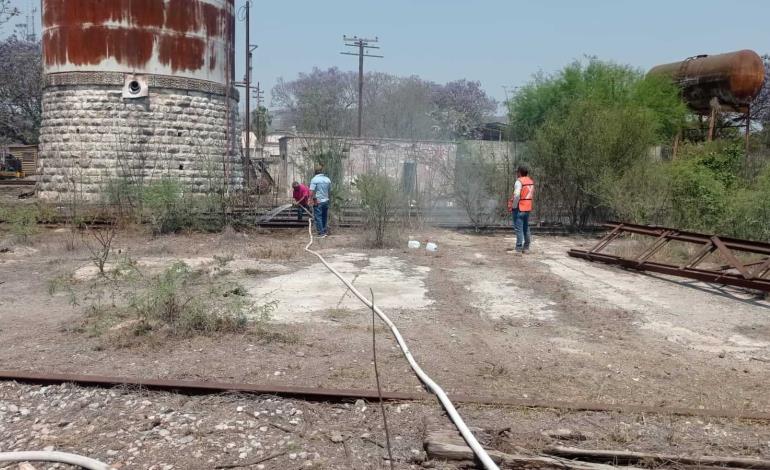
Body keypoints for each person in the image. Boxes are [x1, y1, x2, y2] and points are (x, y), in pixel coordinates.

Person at [508, 165, 534, 253]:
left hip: (519, 207)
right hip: (527, 207)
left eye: (517, 172)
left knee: (518, 229)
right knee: (526, 228)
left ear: (519, 172)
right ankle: (526, 248)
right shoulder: (530, 181)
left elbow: (516, 195)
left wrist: (513, 206)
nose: (516, 173)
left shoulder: (519, 182)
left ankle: (518, 248)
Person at [308, 165, 332, 238]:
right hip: (326, 200)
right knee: (324, 216)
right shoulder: (328, 179)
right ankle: (324, 231)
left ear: (315, 172)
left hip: (318, 201)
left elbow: (311, 191)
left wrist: (310, 199)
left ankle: (321, 233)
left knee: (318, 217)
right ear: (322, 171)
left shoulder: (314, 179)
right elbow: (330, 191)